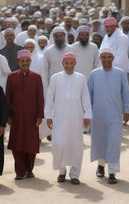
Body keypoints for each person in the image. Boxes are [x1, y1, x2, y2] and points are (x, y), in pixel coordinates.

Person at [45, 52, 92, 185]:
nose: (69, 65)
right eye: (67, 63)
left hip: (76, 117)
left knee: (76, 145)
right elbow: (49, 97)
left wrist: (87, 114)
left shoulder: (81, 78)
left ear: (75, 63)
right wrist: (48, 116)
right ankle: (61, 171)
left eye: (71, 63)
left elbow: (85, 97)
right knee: (59, 144)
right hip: (59, 117)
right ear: (62, 63)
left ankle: (75, 174)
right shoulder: (55, 78)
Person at [88, 48, 129, 184]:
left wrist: (127, 110)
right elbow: (89, 95)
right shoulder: (94, 74)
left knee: (113, 142)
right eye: (103, 57)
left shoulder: (120, 73)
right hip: (98, 115)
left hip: (115, 115)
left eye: (109, 57)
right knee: (100, 141)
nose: (106, 60)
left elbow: (126, 92)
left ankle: (112, 172)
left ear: (113, 58)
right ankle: (100, 165)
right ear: (100, 58)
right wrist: (87, 114)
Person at [6, 50, 44, 180]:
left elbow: (40, 97)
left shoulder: (37, 77)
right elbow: (8, 97)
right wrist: (8, 116)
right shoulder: (11, 77)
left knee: (31, 144)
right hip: (16, 117)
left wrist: (39, 115)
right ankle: (20, 172)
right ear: (18, 62)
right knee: (17, 145)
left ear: (30, 62)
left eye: (27, 61)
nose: (25, 63)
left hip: (32, 117)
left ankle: (29, 170)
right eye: (22, 61)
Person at [42, 27, 73, 91]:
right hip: (53, 84)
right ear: (53, 37)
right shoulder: (48, 51)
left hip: (70, 82)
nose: (59, 38)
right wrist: (46, 87)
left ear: (64, 36)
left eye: (61, 36)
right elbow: (44, 70)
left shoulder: (71, 49)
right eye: (57, 36)